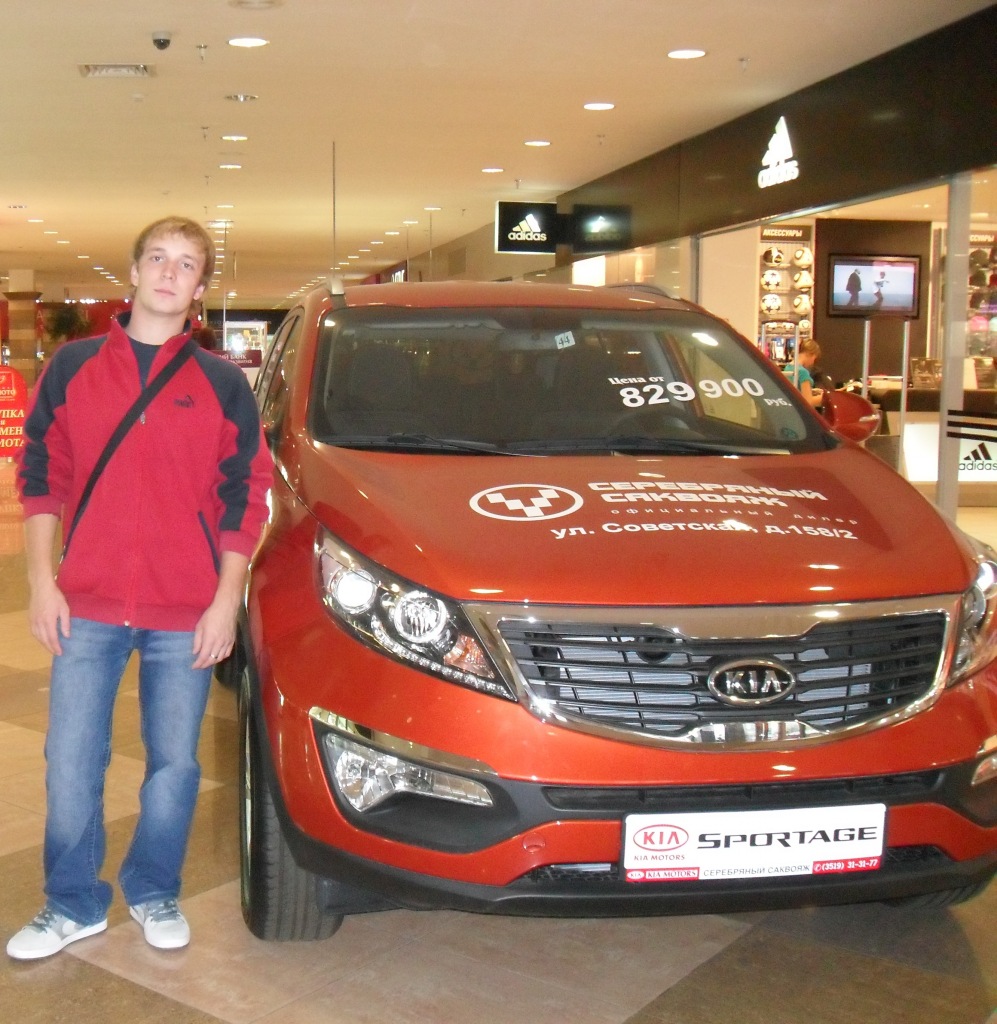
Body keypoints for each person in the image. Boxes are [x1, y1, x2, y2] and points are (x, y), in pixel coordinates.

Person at [8, 216, 273, 960]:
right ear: (133, 271)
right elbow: (42, 476)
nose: (168, 272)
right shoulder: (74, 366)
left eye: (186, 264)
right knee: (70, 760)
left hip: (184, 610)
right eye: (157, 257)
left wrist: (224, 602)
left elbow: (244, 495)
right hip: (87, 604)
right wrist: (42, 582)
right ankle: (71, 902)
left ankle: (154, 889)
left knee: (174, 765)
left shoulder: (223, 384)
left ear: (199, 286)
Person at [782, 338, 825, 408]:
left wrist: (811, 390)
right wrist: (825, 397)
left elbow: (795, 390)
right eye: (814, 359)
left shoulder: (788, 367)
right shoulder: (803, 372)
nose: (813, 362)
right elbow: (808, 402)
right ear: (810, 354)